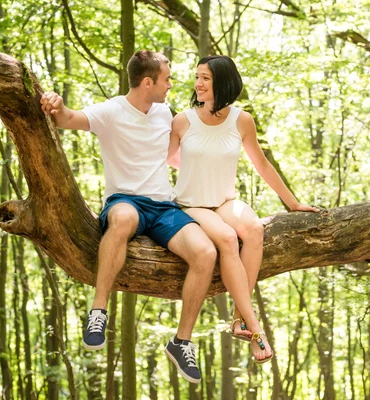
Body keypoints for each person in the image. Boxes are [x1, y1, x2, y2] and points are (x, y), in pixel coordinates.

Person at [40, 50, 216, 384]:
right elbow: (66, 119)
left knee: (206, 253)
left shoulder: (166, 113)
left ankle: (182, 342)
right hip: (126, 201)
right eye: (167, 79)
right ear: (148, 82)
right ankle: (98, 311)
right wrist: (55, 103)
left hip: (164, 207)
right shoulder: (111, 111)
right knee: (121, 220)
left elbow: (178, 154)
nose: (171, 85)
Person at [168, 55, 318, 363]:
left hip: (225, 201)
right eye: (197, 77)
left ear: (222, 82)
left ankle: (239, 320)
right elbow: (163, 159)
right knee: (225, 238)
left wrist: (292, 203)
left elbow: (262, 164)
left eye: (205, 78)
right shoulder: (183, 120)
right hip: (191, 203)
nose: (198, 83)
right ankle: (256, 329)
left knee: (253, 230)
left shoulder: (242, 120)